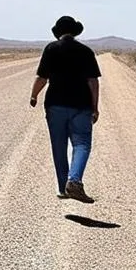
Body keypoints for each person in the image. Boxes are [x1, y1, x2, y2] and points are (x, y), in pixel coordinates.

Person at [29, 16, 101, 203]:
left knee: (58, 146)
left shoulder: (51, 49)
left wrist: (34, 95)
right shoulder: (86, 52)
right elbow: (93, 81)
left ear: (58, 32)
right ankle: (74, 180)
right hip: (81, 105)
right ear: (75, 32)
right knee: (82, 144)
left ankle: (63, 188)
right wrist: (95, 107)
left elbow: (42, 77)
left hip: (55, 105)